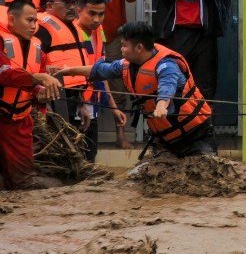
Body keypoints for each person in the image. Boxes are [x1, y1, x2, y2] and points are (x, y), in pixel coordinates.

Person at [56, 21, 214, 158]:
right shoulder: (126, 64)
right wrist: (68, 71)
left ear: (139, 47)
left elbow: (168, 86)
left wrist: (161, 105)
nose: (121, 49)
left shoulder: (167, 64)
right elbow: (100, 70)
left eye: (124, 45)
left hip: (196, 136)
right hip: (166, 141)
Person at [74, 0, 137, 149]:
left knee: (118, 85)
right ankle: (86, 136)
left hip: (115, 40)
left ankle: (121, 135)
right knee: (88, 82)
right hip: (89, 38)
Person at [35, 0, 101, 162]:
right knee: (58, 151)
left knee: (77, 149)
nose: (72, 6)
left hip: (73, 98)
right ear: (49, 4)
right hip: (55, 100)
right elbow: (34, 69)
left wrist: (82, 104)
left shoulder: (75, 28)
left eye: (74, 1)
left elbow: (79, 73)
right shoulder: (40, 29)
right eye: (66, 2)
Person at [1, 0, 61, 189]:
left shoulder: (38, 50)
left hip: (19, 122)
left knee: (23, 182)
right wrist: (38, 78)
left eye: (36, 21)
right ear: (12, 19)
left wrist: (41, 94)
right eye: (29, 20)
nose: (34, 26)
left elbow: (36, 86)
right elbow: (3, 73)